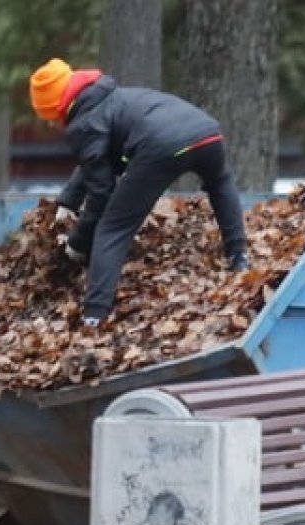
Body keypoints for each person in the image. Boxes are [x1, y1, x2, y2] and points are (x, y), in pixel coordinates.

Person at [28, 58, 250, 328]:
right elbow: (96, 161)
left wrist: (78, 243)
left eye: (50, 118)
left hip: (163, 146)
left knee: (113, 227)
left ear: (55, 107)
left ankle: (94, 315)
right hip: (206, 131)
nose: (53, 125)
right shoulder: (108, 97)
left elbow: (102, 193)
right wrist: (69, 200)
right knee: (220, 181)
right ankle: (239, 257)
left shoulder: (83, 124)